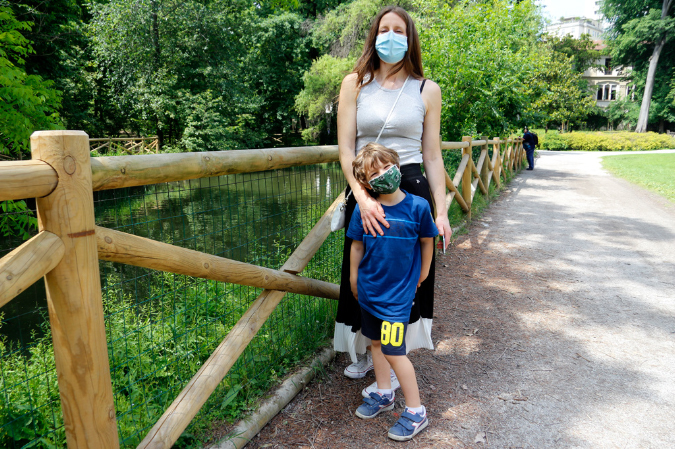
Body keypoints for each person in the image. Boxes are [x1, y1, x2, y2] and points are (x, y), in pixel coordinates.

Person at [334, 5, 451, 397]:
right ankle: (369, 351)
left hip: (410, 189)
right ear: (374, 35)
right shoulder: (354, 84)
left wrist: (442, 211)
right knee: (366, 270)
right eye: (384, 29)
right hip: (365, 187)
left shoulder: (426, 89)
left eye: (399, 30)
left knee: (404, 276)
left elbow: (432, 155)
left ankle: (394, 353)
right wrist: (361, 197)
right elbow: (346, 149)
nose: (391, 36)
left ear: (410, 37)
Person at [348, 143, 437, 441]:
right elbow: (357, 246)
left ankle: (416, 411)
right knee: (375, 343)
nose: (384, 175)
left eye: (387, 167)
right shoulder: (364, 211)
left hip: (397, 300)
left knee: (394, 351)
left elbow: (427, 240)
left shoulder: (418, 207)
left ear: (397, 166)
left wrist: (424, 271)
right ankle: (384, 393)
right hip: (369, 293)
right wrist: (354, 279)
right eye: (375, 174)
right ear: (366, 183)